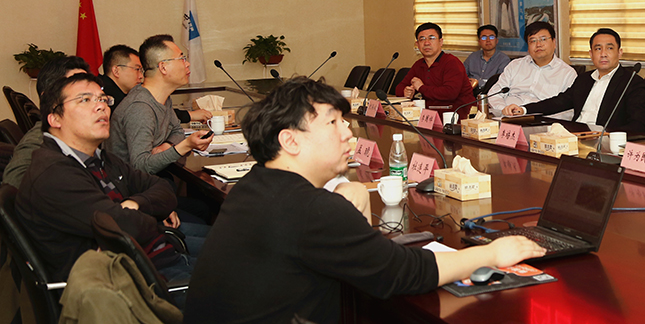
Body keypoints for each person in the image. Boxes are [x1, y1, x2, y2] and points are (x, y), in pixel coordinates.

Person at [183, 77, 544, 324]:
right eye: (333, 123)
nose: (347, 132)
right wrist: (492, 254)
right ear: (290, 141)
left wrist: (342, 191)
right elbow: (403, 273)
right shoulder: (311, 210)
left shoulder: (256, 184)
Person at [14, 72, 196, 284]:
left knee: (225, 250)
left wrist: (136, 203)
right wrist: (151, 214)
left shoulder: (99, 157)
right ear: (55, 119)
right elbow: (124, 227)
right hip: (135, 285)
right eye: (85, 100)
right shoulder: (54, 173)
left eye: (103, 99)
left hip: (155, 257)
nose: (101, 106)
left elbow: (162, 188)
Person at [503, 28, 645, 132]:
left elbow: (637, 124)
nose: (603, 54)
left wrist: (609, 135)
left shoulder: (632, 82)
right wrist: (524, 109)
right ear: (591, 54)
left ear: (619, 53)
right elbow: (559, 102)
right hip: (575, 134)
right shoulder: (584, 79)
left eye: (609, 48)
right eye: (598, 49)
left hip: (603, 139)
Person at [106, 34, 212, 174]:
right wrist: (185, 146)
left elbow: (177, 131)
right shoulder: (139, 107)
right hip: (130, 184)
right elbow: (141, 166)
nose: (187, 64)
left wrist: (166, 145)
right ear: (163, 67)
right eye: (182, 59)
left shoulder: (163, 97)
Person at [3, 56, 90, 188]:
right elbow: (13, 185)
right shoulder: (40, 141)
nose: (96, 104)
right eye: (80, 95)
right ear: (48, 98)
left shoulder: (86, 134)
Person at [487, 21, 577, 118]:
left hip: (542, 121)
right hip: (507, 118)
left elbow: (568, 109)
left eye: (543, 39)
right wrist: (504, 109)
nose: (538, 44)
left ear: (554, 42)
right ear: (528, 46)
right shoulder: (515, 66)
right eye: (533, 41)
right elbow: (494, 94)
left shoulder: (567, 73)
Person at [394, 23, 475, 113]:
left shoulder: (452, 62)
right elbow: (399, 88)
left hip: (458, 115)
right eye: (422, 39)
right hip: (430, 115)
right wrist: (405, 92)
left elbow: (450, 93)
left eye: (431, 38)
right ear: (417, 44)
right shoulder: (419, 65)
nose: (426, 43)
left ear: (440, 42)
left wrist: (421, 88)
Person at [464, 24, 511, 92]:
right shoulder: (472, 57)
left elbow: (500, 82)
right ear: (479, 42)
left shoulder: (504, 60)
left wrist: (477, 82)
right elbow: (461, 75)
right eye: (484, 37)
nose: (488, 40)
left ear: (496, 40)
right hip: (470, 91)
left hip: (491, 93)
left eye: (491, 37)